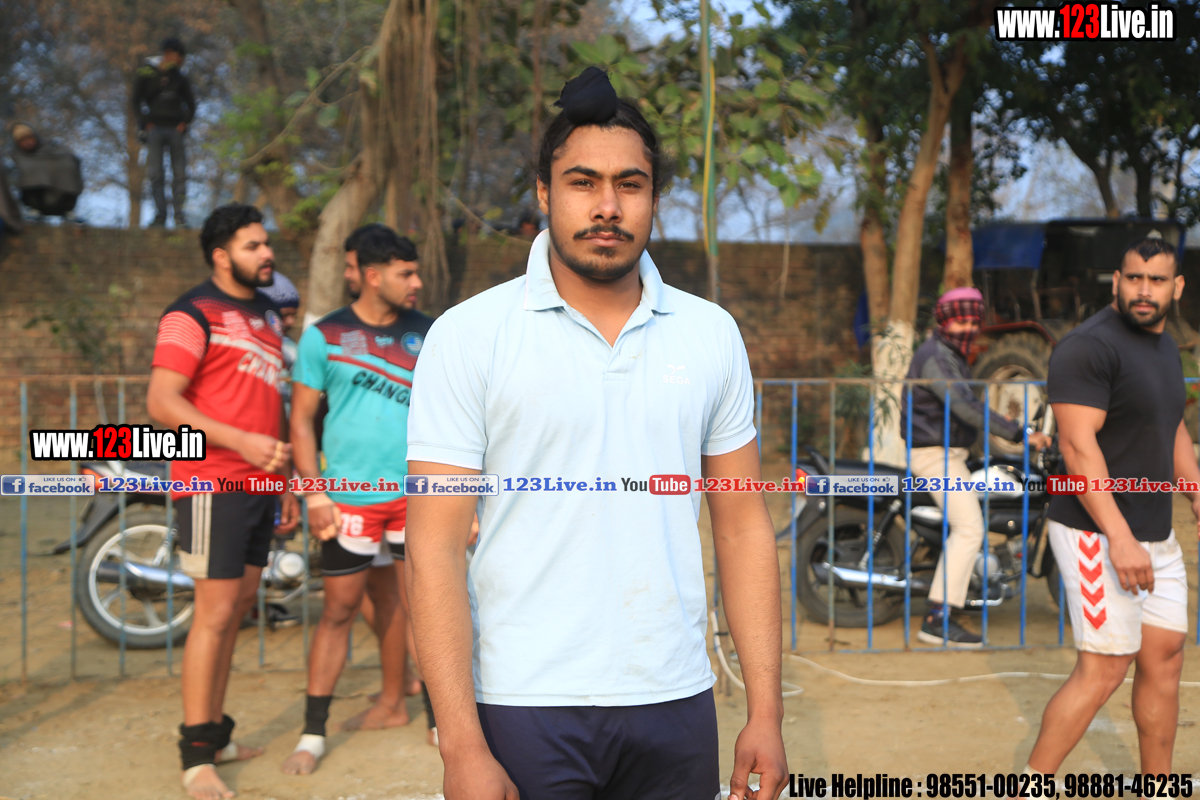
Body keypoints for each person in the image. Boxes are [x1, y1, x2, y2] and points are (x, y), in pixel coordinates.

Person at [405, 67, 788, 800]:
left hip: (675, 698)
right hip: (523, 701)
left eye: (629, 184)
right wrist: (460, 745)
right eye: (582, 182)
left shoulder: (710, 334)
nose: (607, 206)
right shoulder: (469, 335)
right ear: (545, 193)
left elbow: (742, 526)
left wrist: (765, 713)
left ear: (654, 198)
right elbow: (433, 546)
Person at [1027, 237, 1199, 776]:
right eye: (1134, 278)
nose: (1144, 291)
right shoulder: (1087, 347)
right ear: (1117, 281)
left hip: (1154, 531)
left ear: (1176, 287)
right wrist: (1120, 539)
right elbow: (1077, 448)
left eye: (1156, 280)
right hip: (1095, 531)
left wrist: (1196, 493)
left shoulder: (1165, 347)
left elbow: (1170, 425)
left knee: (1165, 657)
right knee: (1104, 668)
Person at [146, 203, 300, 800]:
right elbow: (163, 403)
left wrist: (285, 480)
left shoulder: (267, 314)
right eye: (253, 245)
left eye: (267, 243)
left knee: (236, 611)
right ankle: (195, 758)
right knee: (212, 616)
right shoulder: (189, 313)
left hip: (262, 485)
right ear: (220, 255)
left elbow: (271, 401)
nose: (267, 254)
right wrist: (241, 442)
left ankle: (215, 735)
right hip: (212, 482)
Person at [281, 226, 433, 775]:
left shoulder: (431, 333)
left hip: (417, 499)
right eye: (405, 273)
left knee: (425, 610)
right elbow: (301, 421)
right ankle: (312, 734)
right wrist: (313, 493)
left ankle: (438, 720)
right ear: (372, 276)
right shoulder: (324, 335)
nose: (416, 283)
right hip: (347, 499)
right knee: (339, 611)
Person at [902, 286, 1051, 647]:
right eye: (960, 321)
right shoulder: (936, 357)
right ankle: (937, 620)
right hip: (935, 457)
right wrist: (1020, 433)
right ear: (944, 321)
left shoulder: (949, 352)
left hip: (950, 453)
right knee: (970, 528)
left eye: (973, 321)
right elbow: (965, 406)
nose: (968, 328)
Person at [132, 37, 196, 228]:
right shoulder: (146, 73)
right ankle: (160, 216)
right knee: (156, 174)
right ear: (168, 54)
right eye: (178, 56)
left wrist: (184, 123)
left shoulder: (180, 78)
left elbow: (191, 104)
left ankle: (179, 216)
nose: (180, 61)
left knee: (180, 174)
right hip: (155, 130)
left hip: (176, 131)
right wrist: (146, 122)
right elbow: (136, 101)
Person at [10, 123, 84, 223]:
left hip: (62, 196)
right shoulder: (18, 156)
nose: (27, 143)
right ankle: (35, 210)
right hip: (36, 196)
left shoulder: (53, 148)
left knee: (68, 164)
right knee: (28, 169)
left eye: (29, 138)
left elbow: (71, 159)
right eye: (22, 141)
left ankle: (68, 209)